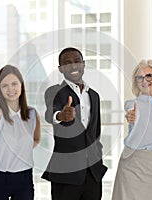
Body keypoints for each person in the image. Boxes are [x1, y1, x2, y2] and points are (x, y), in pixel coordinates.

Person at [41, 47, 107, 200]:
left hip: (93, 172)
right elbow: (50, 114)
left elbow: (95, 132)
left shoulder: (94, 95)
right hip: (66, 173)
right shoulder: (54, 91)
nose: (73, 66)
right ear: (60, 69)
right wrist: (61, 116)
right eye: (67, 63)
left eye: (77, 61)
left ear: (83, 64)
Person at [112, 59, 152, 200]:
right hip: (133, 165)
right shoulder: (133, 104)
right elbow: (131, 114)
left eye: (149, 76)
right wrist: (131, 116)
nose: (144, 81)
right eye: (140, 77)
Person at [0, 65, 41, 200]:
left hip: (24, 176)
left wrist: (18, 149)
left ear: (21, 85)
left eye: (14, 84)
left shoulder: (32, 114)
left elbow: (36, 139)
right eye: (4, 86)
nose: (10, 89)